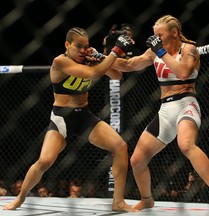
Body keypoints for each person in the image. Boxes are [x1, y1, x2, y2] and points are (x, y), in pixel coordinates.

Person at [3, 27, 137, 212]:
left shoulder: (89, 61)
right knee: (44, 161)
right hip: (61, 119)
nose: (83, 50)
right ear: (67, 45)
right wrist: (114, 52)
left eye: (86, 47)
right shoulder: (60, 61)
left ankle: (118, 201)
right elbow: (93, 74)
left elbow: (116, 76)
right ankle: (20, 198)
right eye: (78, 46)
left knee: (120, 147)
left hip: (83, 116)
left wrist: (100, 57)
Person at [112, 15, 209, 216]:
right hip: (165, 110)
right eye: (154, 35)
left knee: (186, 144)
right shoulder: (154, 52)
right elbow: (129, 65)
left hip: (186, 104)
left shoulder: (188, 49)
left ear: (174, 32)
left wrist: (160, 51)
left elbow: (183, 72)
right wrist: (104, 57)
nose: (156, 39)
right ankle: (147, 200)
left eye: (160, 35)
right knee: (137, 160)